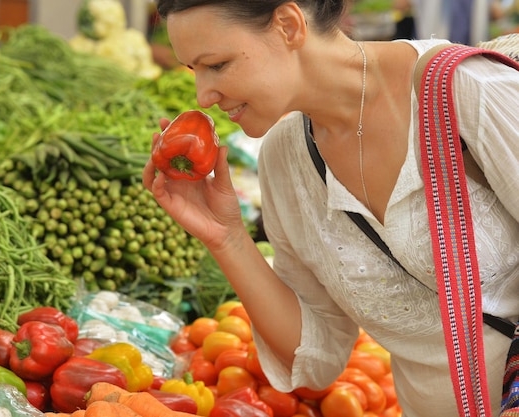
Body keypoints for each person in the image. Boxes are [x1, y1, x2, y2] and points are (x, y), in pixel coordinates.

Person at [141, 1, 519, 416]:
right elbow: (317, 354)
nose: (203, 96)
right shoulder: (285, 157)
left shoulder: (464, 90)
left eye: (216, 64)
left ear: (288, 25)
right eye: (194, 70)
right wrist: (226, 238)